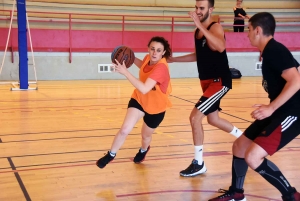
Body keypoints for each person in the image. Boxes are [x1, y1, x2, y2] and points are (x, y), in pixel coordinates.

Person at [208, 12, 300, 201]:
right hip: (277, 111)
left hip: (292, 113)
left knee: (253, 157)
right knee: (239, 146)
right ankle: (237, 192)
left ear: (258, 30)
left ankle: (292, 196)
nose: (247, 33)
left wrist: (271, 107)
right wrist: (271, 107)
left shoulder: (275, 50)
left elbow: (296, 81)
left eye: (248, 30)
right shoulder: (270, 52)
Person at [168, 0, 243, 177]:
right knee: (213, 120)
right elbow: (198, 56)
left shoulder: (215, 27)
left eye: (201, 8)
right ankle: (246, 137)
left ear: (211, 9)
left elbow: (220, 46)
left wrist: (199, 26)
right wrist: (174, 60)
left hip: (219, 81)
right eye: (196, 8)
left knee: (195, 118)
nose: (198, 11)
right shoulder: (198, 32)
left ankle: (199, 163)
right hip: (207, 82)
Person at [96, 36, 172, 168]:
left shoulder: (161, 68)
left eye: (159, 50)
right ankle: (111, 154)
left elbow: (144, 88)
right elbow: (140, 65)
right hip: (139, 100)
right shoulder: (148, 59)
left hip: (156, 108)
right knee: (125, 129)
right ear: (148, 48)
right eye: (152, 49)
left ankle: (143, 150)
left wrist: (125, 72)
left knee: (145, 136)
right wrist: (125, 56)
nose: (155, 53)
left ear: (163, 52)